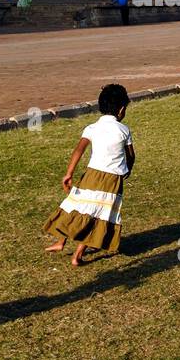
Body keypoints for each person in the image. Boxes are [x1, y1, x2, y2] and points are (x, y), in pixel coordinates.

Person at [43, 84, 135, 267]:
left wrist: (68, 173)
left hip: (91, 175)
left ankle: (61, 242)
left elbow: (79, 150)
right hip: (112, 181)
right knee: (97, 215)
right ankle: (77, 256)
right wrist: (127, 170)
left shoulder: (92, 128)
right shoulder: (124, 130)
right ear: (122, 109)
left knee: (76, 205)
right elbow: (131, 155)